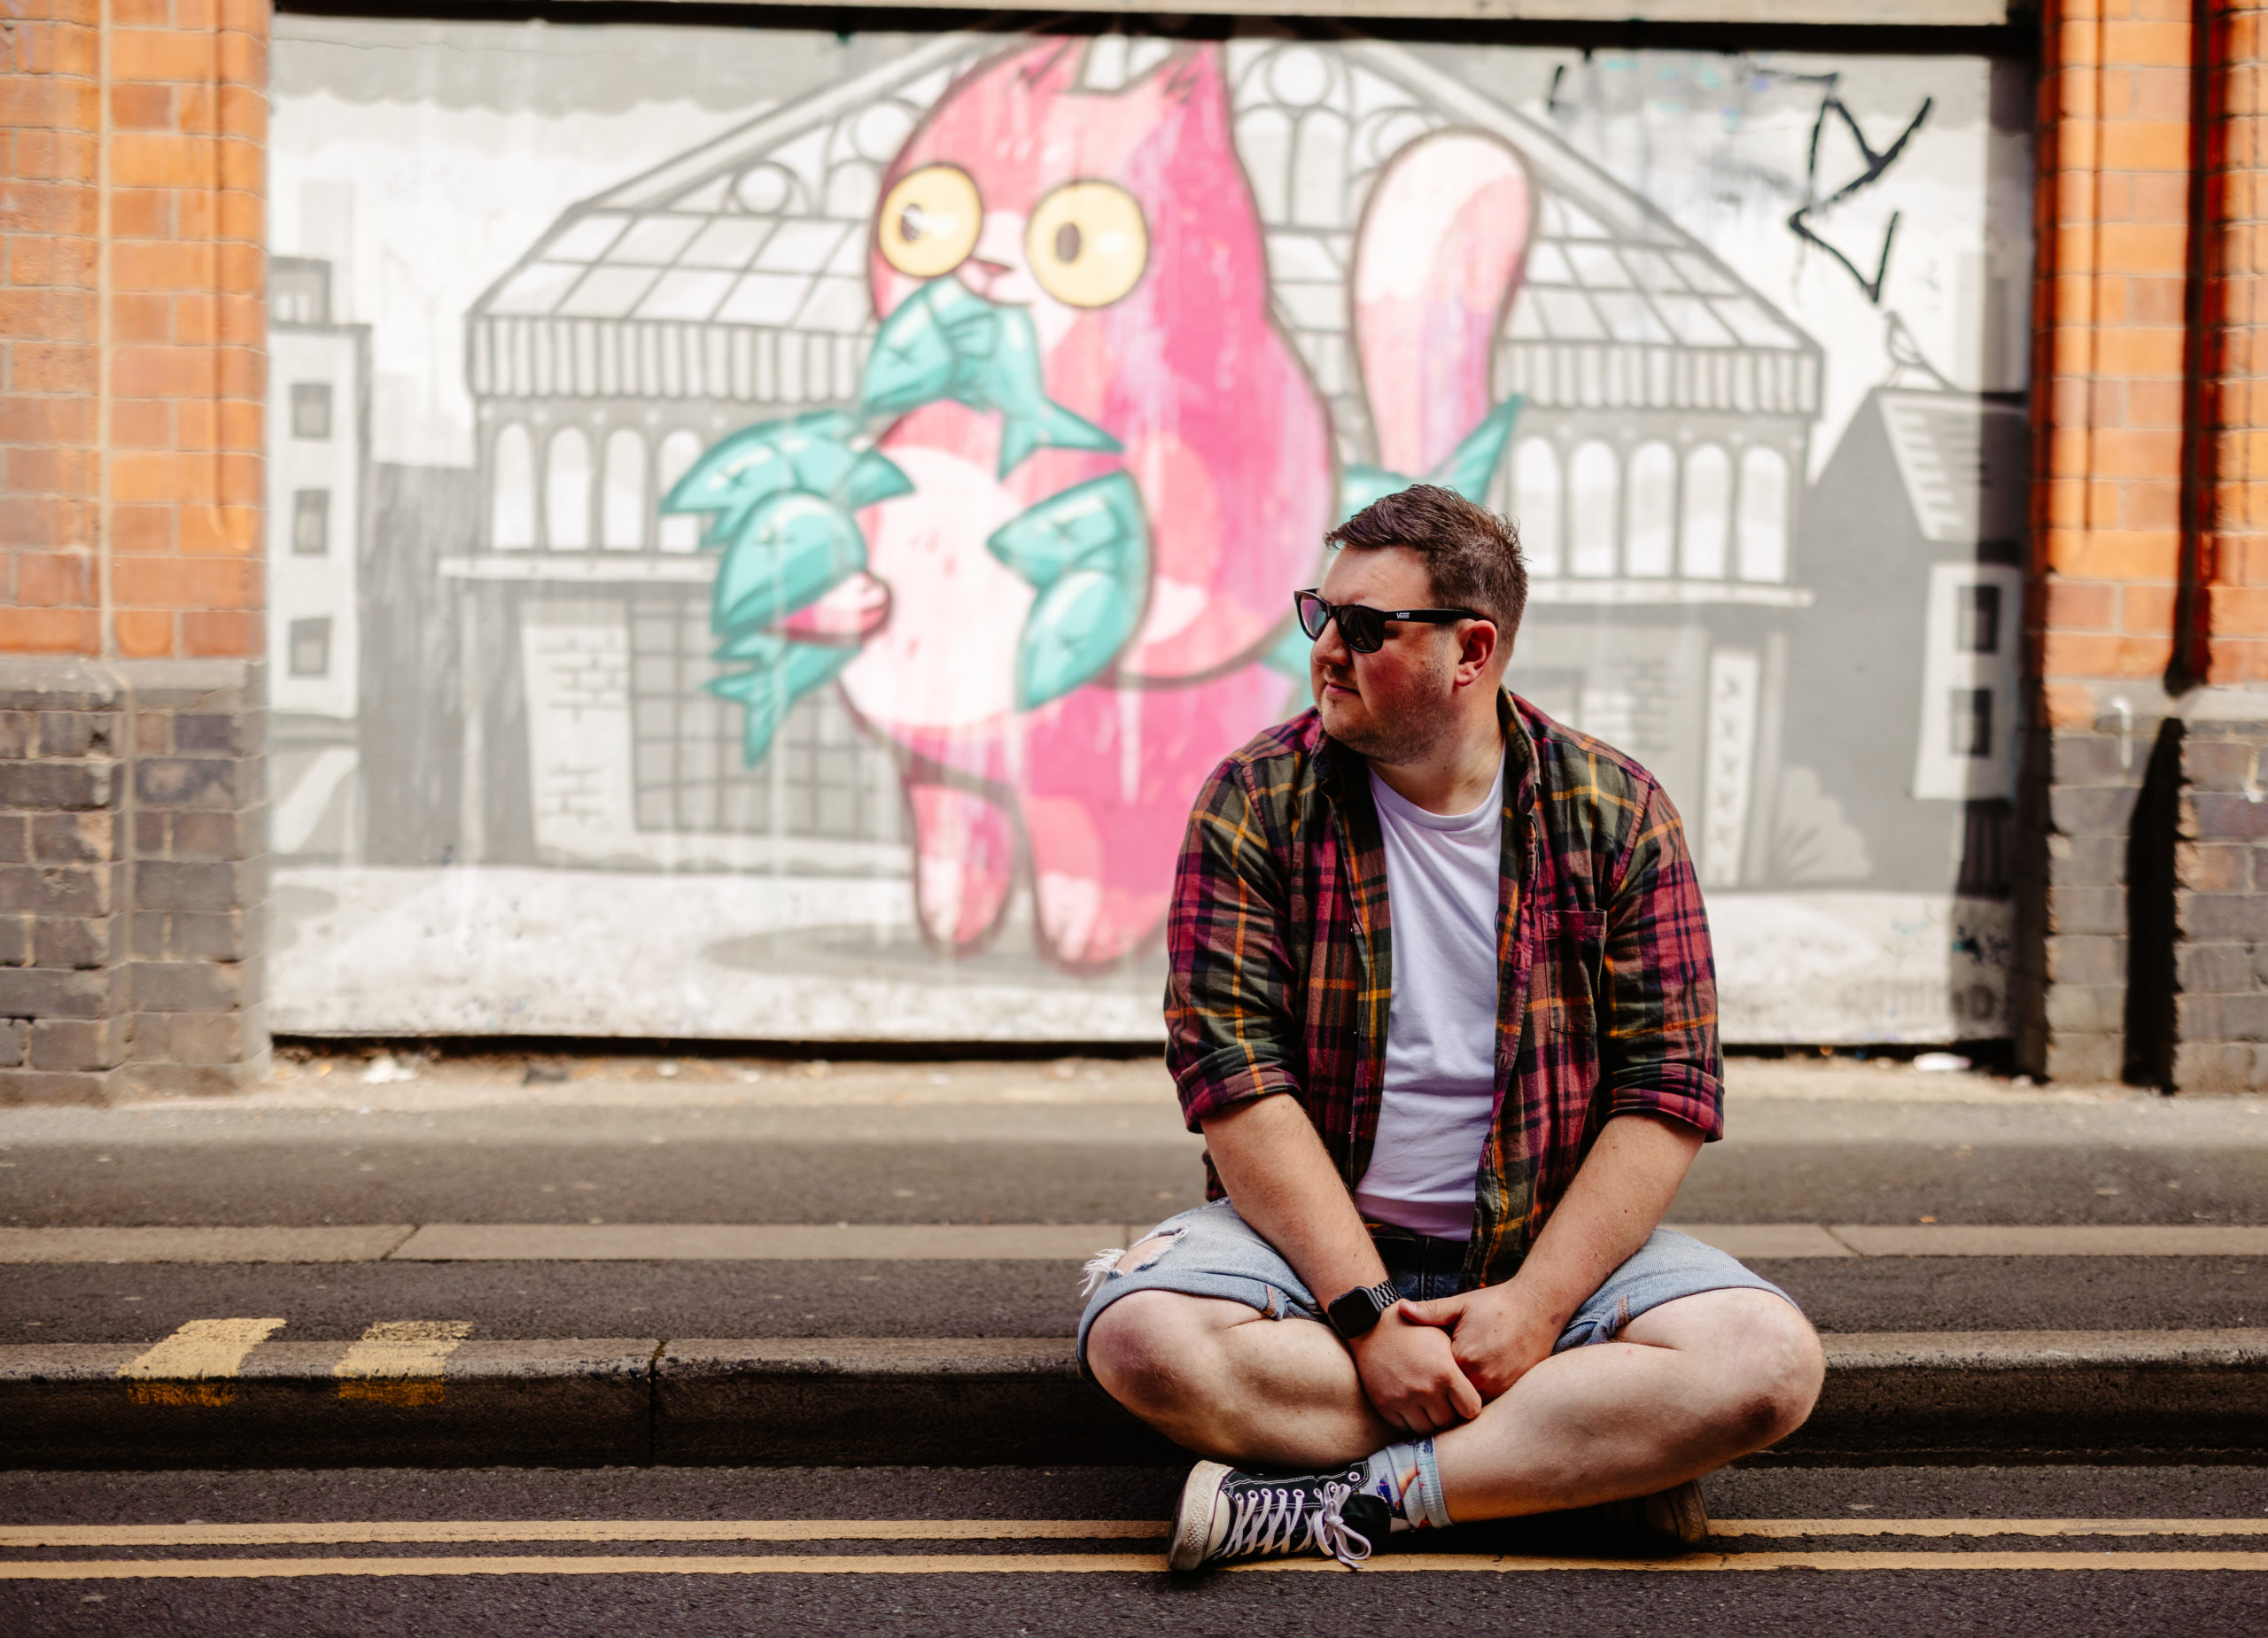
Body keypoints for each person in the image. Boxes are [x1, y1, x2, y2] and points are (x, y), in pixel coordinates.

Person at [1077, 484, 1824, 1572]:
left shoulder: (1616, 812)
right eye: (1319, 612)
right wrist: (1370, 1321)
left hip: (1541, 1254)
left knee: (1765, 1363)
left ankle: (1362, 1499)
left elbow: (1666, 1096)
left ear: (1470, 651)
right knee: (1144, 1340)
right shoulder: (1256, 799)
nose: (1326, 648)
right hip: (1314, 1259)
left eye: (1366, 626)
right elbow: (1236, 1085)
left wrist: (1533, 1309)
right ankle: (1564, 1466)